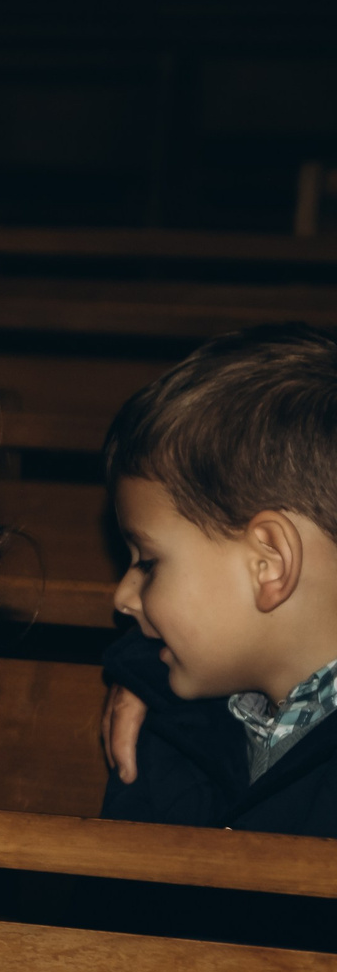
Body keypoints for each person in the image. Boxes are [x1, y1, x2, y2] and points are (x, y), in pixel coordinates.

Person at [97, 324, 337, 834]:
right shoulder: (175, 723)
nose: (122, 597)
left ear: (268, 563)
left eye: (148, 562)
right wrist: (143, 673)